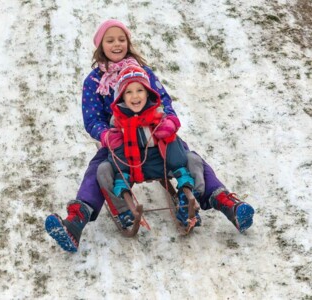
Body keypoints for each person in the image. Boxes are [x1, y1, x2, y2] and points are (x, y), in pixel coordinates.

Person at [45, 19, 255, 253]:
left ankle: (225, 203)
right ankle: (76, 220)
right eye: (110, 40)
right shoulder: (94, 81)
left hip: (155, 132)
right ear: (100, 45)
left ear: (128, 42)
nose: (117, 44)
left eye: (121, 39)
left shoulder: (143, 71)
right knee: (98, 168)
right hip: (120, 138)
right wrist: (105, 135)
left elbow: (164, 100)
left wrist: (170, 121)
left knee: (190, 156)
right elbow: (92, 118)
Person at [97, 64, 202, 229]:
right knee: (102, 170)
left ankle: (187, 198)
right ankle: (123, 211)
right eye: (128, 92)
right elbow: (116, 151)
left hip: (163, 164)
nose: (135, 96)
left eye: (140, 90)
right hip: (131, 168)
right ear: (122, 97)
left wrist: (169, 126)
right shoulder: (118, 121)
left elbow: (172, 137)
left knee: (194, 159)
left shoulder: (157, 114)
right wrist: (111, 140)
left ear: (147, 93)